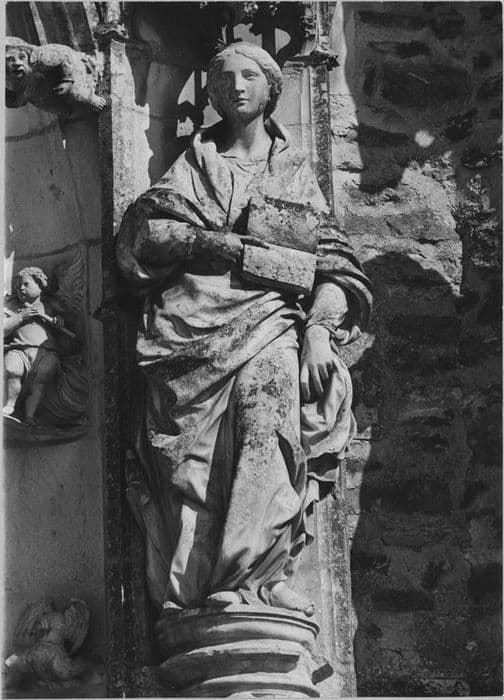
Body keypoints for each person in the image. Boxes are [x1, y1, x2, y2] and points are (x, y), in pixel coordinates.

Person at [117, 42, 372, 615]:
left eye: (249, 76)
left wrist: (318, 332)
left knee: (269, 427)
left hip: (272, 325)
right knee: (191, 466)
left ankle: (258, 577)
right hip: (188, 331)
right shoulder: (193, 166)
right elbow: (144, 238)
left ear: (271, 90)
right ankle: (198, 590)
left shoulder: (293, 172)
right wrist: (224, 247)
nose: (236, 86)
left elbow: (336, 269)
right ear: (209, 93)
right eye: (225, 78)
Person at [4, 267, 63, 424]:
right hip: (18, 349)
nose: (21, 289)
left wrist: (58, 321)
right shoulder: (12, 306)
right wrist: (21, 316)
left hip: (45, 352)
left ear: (39, 284)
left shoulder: (49, 305)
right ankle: (10, 405)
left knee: (41, 379)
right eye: (18, 286)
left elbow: (64, 323)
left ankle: (30, 415)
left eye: (26, 284)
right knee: (12, 368)